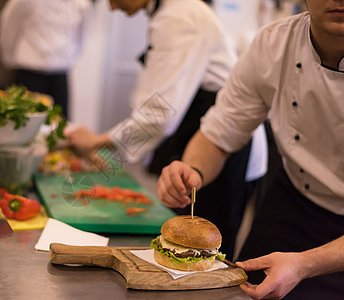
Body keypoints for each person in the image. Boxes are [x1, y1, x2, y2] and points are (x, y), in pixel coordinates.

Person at [157, 0, 344, 298]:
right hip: (291, 202)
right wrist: (191, 169)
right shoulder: (273, 44)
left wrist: (306, 264)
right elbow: (219, 134)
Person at [65, 0, 268, 259]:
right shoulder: (169, 14)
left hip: (222, 149)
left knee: (205, 253)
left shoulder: (182, 17)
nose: (112, 7)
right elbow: (155, 101)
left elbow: (159, 115)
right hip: (195, 138)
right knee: (179, 243)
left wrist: (98, 142)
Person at [0, 0, 94, 117]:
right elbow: (8, 28)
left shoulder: (81, 4)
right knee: (22, 124)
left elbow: (81, 36)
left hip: (59, 76)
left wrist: (68, 59)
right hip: (28, 74)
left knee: (60, 125)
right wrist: (8, 59)